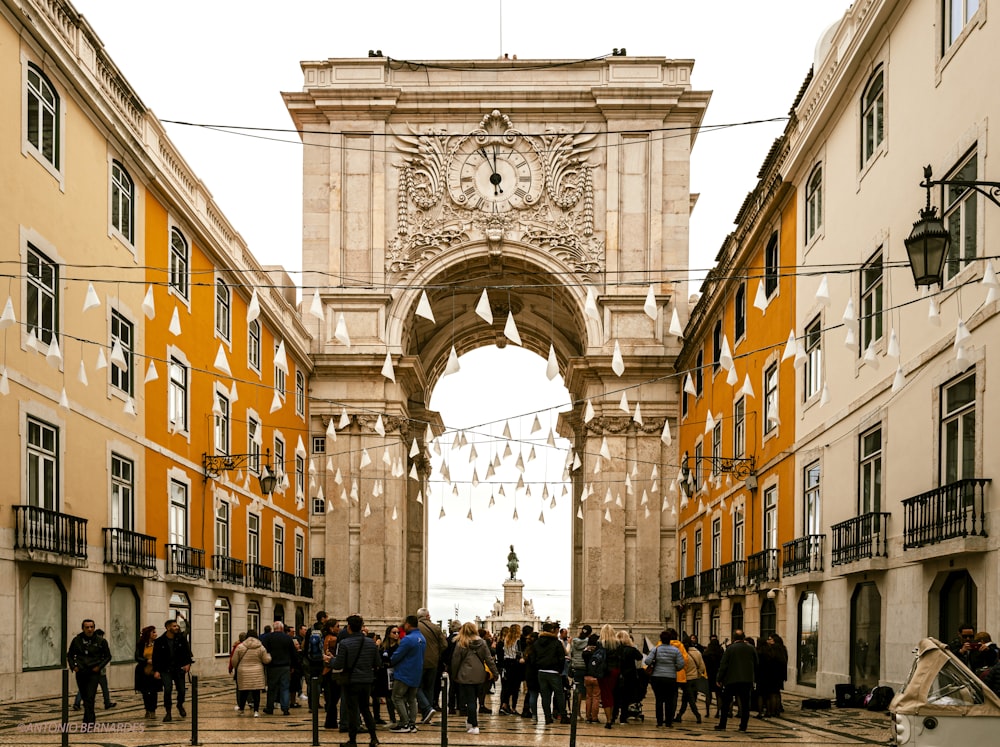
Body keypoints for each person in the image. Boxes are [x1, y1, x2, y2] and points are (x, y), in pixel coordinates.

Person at [332, 614, 380, 747]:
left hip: (351, 681)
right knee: (365, 709)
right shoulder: (371, 643)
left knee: (352, 710)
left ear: (349, 627)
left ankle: (352, 740)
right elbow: (377, 662)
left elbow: (338, 665)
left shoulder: (344, 643)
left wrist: (330, 660)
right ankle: (374, 738)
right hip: (366, 681)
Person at [451, 621, 499, 735]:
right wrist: (495, 673)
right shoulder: (482, 643)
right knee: (475, 700)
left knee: (470, 700)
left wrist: (454, 674)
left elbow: (456, 661)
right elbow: (489, 659)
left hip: (465, 674)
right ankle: (470, 721)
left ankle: (474, 725)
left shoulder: (461, 643)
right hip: (480, 674)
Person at [67, 619, 112, 726]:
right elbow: (69, 655)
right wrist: (73, 667)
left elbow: (108, 656)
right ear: (83, 628)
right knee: (85, 696)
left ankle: (89, 721)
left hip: (93, 672)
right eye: (87, 627)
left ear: (94, 628)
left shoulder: (101, 641)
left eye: (91, 627)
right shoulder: (77, 640)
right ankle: (88, 720)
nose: (89, 629)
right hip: (81, 671)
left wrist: (99, 667)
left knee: (90, 697)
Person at [715, 629, 758, 733]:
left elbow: (723, 665)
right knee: (745, 704)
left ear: (733, 638)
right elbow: (756, 663)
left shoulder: (730, 649)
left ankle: (722, 724)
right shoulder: (751, 648)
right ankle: (743, 726)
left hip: (731, 680)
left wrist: (719, 678)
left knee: (726, 703)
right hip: (746, 680)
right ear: (743, 637)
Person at [152, 618, 193, 722]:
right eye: (174, 626)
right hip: (165, 669)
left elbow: (187, 652)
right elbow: (156, 657)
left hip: (179, 668)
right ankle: (168, 712)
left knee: (182, 690)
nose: (177, 627)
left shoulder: (181, 639)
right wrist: (156, 670)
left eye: (177, 626)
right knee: (168, 690)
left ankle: (180, 704)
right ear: (168, 628)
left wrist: (188, 663)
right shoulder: (159, 641)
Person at [390, 615, 425, 733]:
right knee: (412, 699)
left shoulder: (408, 639)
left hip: (404, 673)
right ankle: (412, 723)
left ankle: (404, 723)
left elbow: (397, 656)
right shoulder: (421, 638)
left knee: (397, 697)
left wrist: (391, 660)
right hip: (416, 673)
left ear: (408, 624)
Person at [644, 629, 685, 727]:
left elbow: (647, 661)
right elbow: (681, 664)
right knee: (669, 700)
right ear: (670, 639)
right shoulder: (676, 650)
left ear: (661, 639)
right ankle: (668, 722)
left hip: (657, 677)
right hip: (670, 678)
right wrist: (674, 668)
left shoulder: (656, 649)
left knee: (659, 699)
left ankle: (659, 721)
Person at [532, 621, 568, 725]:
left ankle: (547, 717)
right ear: (552, 631)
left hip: (541, 671)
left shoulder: (537, 642)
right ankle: (563, 716)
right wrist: (560, 670)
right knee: (559, 694)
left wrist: (538, 666)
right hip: (554, 671)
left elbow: (533, 657)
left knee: (545, 696)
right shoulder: (556, 642)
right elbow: (561, 658)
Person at [416, 607, 448, 723]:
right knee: (429, 688)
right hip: (433, 662)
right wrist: (436, 653)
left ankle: (427, 708)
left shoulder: (415, 627)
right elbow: (444, 644)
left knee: (416, 687)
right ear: (428, 616)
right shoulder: (435, 627)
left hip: (419, 661)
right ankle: (426, 715)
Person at [73, 628, 115, 712]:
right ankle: (107, 703)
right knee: (104, 688)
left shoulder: (92, 643)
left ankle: (77, 703)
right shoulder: (100, 643)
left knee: (84, 688)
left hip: (93, 670)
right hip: (98, 671)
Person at [232, 629, 271, 716]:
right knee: (256, 692)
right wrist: (269, 656)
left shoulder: (240, 646)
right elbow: (265, 660)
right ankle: (256, 711)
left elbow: (234, 661)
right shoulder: (261, 647)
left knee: (243, 691)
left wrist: (237, 667)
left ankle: (241, 709)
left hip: (243, 672)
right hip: (257, 672)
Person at [262, 621, 296, 715]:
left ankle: (270, 708)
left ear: (274, 628)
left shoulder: (268, 637)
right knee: (285, 688)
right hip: (285, 667)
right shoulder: (288, 638)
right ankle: (285, 708)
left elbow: (264, 651)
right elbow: (293, 653)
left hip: (272, 666)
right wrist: (293, 666)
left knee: (271, 688)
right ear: (281, 628)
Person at [612, 630, 643, 724]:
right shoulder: (631, 649)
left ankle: (613, 716)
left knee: (616, 697)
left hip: (617, 675)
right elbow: (640, 656)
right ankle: (623, 718)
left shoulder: (615, 649)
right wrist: (632, 645)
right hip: (629, 676)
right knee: (626, 698)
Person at [675, 634, 706, 723]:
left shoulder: (682, 653)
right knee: (686, 698)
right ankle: (679, 716)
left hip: (686, 680)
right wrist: (697, 674)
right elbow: (702, 667)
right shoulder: (697, 652)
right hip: (694, 679)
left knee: (690, 699)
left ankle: (697, 715)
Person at [134, 625, 162, 719]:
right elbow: (137, 656)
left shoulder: (158, 644)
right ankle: (147, 709)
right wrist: (146, 661)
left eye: (155, 632)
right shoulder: (141, 644)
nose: (155, 634)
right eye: (153, 632)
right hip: (143, 671)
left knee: (153, 692)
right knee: (145, 692)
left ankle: (153, 710)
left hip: (155, 670)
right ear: (148, 634)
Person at [597, 623, 622, 729]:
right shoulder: (618, 644)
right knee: (611, 693)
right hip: (615, 670)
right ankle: (611, 717)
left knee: (606, 695)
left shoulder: (600, 643)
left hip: (604, 672)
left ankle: (608, 720)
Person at [498, 624, 524, 715]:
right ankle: (513, 708)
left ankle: (504, 705)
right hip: (515, 664)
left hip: (507, 663)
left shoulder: (506, 640)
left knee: (507, 686)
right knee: (516, 687)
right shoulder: (518, 641)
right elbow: (519, 653)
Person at [377, 625, 400, 724]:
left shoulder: (399, 646)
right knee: (388, 697)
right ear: (388, 634)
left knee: (396, 697)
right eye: (394, 632)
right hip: (385, 674)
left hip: (396, 672)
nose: (396, 635)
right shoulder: (383, 646)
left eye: (398, 632)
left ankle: (403, 717)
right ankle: (392, 718)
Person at [321, 619, 341, 729]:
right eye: (337, 626)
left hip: (326, 670)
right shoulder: (333, 639)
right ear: (331, 628)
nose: (339, 628)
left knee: (331, 699)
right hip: (331, 670)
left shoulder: (326, 637)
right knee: (333, 698)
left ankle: (330, 721)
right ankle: (331, 721)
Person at [702, 634, 724, 717]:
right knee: (719, 695)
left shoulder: (706, 653)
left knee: (708, 695)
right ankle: (718, 712)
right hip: (718, 675)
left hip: (709, 675)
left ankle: (707, 712)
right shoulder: (720, 652)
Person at [581, 633, 601, 723]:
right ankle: (594, 717)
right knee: (596, 697)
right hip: (596, 676)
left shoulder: (585, 652)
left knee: (588, 697)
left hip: (587, 675)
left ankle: (588, 717)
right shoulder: (599, 652)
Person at [569, 624, 593, 693]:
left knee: (579, 689)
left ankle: (577, 702)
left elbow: (572, 653)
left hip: (576, 666)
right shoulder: (590, 642)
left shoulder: (574, 641)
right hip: (585, 667)